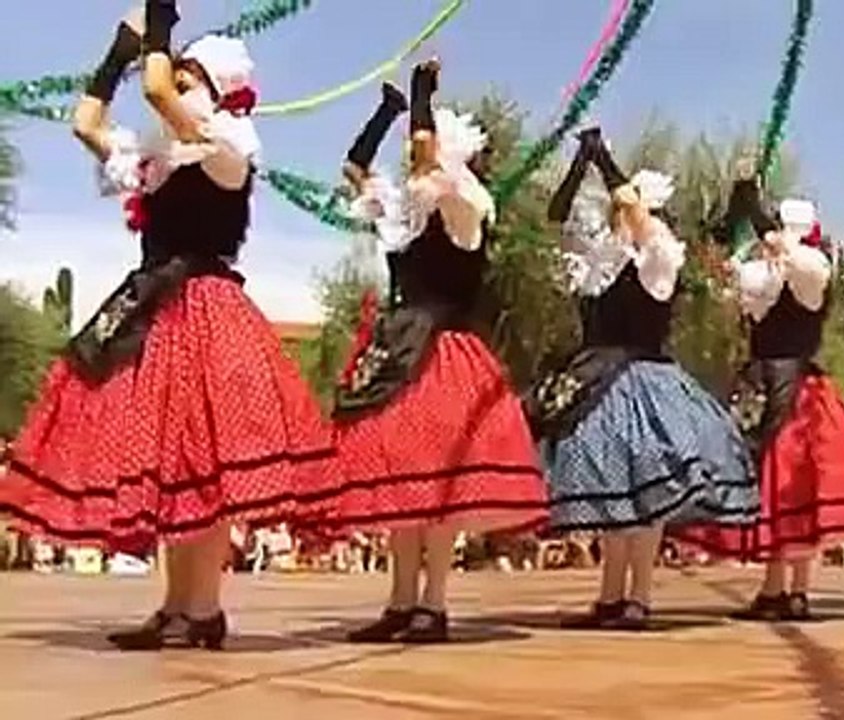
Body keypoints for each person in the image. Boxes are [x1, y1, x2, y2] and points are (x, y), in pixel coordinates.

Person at [0, 2, 333, 651]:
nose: (172, 83)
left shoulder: (225, 146)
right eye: (175, 73)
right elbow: (85, 123)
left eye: (189, 77)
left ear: (216, 90)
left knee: (203, 464)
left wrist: (157, 25)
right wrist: (119, 53)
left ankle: (203, 608)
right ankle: (177, 607)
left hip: (205, 307)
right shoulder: (158, 157)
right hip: (155, 305)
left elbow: (155, 92)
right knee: (171, 463)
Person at [315, 64, 550, 644]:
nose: (421, 156)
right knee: (404, 481)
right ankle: (401, 603)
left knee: (440, 484)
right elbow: (353, 170)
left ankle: (434, 603)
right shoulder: (408, 211)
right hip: (400, 350)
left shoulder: (466, 204)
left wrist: (421, 95)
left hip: (446, 354)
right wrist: (386, 111)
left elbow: (421, 159)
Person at [531, 127, 756, 630]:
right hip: (596, 384)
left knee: (649, 491)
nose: (623, 212)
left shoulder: (658, 258)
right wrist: (580, 165)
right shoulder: (596, 262)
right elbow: (557, 220)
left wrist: (609, 164)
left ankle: (641, 596)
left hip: (646, 384)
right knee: (613, 487)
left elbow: (638, 219)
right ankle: (612, 596)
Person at [679, 170, 844, 622]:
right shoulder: (763, 274)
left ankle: (794, 588)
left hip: (797, 388)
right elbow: (720, 267)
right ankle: (778, 587)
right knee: (776, 489)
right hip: (769, 384)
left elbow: (781, 260)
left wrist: (755, 214)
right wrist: (730, 215)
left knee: (793, 487)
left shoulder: (811, 271)